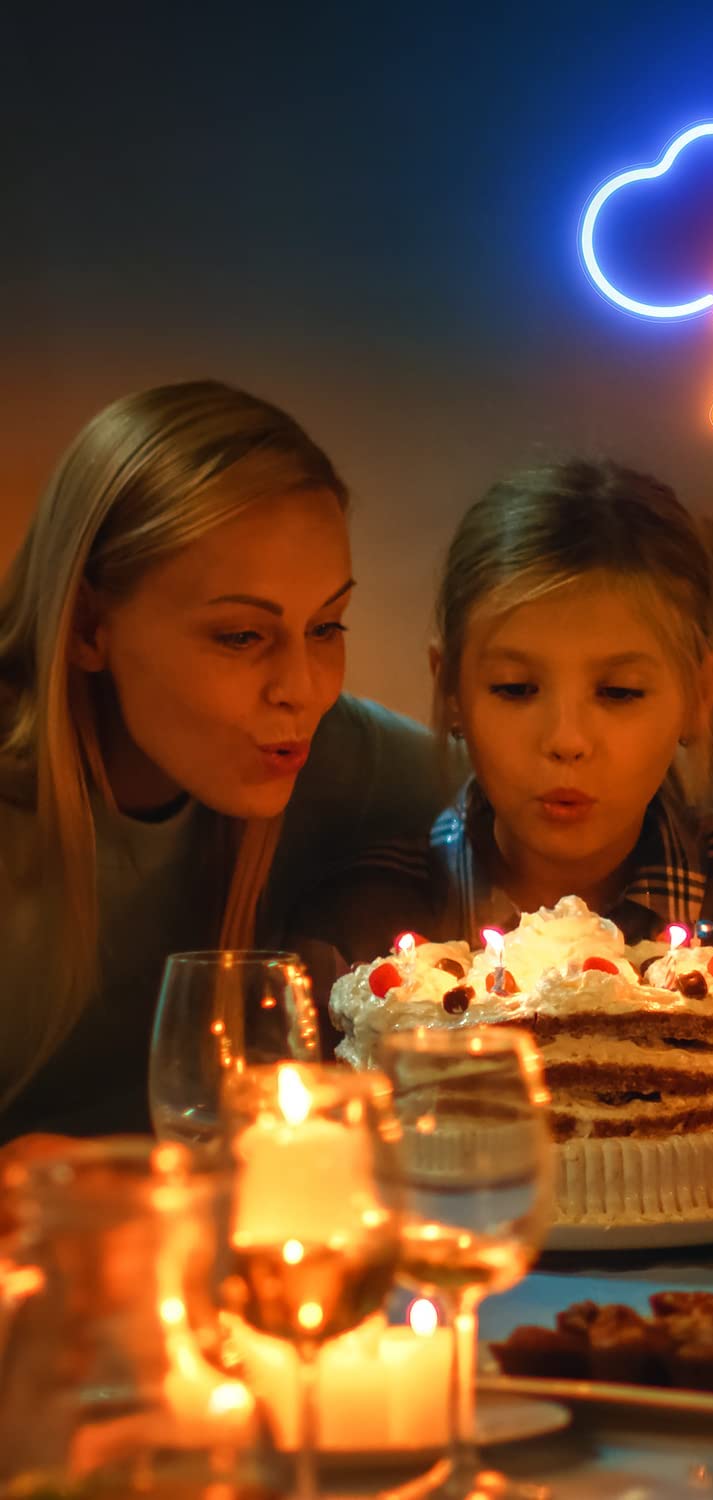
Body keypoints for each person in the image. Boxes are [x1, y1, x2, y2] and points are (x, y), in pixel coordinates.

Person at [331, 459, 713, 1125]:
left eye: (618, 693)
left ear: (699, 696)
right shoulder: (361, 917)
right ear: (451, 691)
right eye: (515, 688)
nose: (567, 739)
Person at [0, 380, 452, 1145]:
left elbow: (545, 787)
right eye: (241, 636)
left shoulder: (336, 756)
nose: (301, 692)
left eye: (327, 626)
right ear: (85, 627)